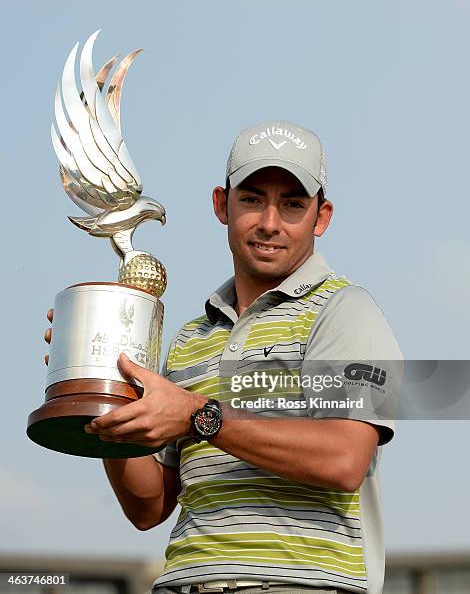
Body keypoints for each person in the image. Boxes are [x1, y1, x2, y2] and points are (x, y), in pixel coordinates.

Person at [45, 120, 402, 594]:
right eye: (252, 199)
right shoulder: (190, 338)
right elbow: (149, 508)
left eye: (293, 204)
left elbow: (342, 459)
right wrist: (108, 392)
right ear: (221, 205)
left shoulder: (342, 311)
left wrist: (199, 415)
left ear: (322, 217)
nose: (270, 223)